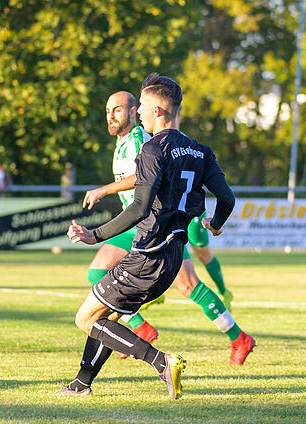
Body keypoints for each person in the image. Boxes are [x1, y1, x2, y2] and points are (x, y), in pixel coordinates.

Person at [57, 73, 237, 399]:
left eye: (142, 108)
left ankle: (161, 362)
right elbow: (227, 199)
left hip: (147, 253)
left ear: (157, 111)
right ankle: (82, 383)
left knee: (85, 318)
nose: (138, 113)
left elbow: (140, 207)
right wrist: (216, 223)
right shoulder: (202, 151)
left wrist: (93, 235)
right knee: (106, 315)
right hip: (171, 257)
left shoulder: (153, 148)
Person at [82, 91, 253, 364]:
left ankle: (142, 330)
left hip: (151, 222)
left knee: (183, 284)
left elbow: (141, 177)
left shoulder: (140, 139)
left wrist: (103, 191)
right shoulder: (128, 142)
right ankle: (236, 337)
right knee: (184, 285)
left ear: (135, 110)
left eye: (117, 109)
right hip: (147, 225)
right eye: (107, 110)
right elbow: (225, 196)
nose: (111, 115)